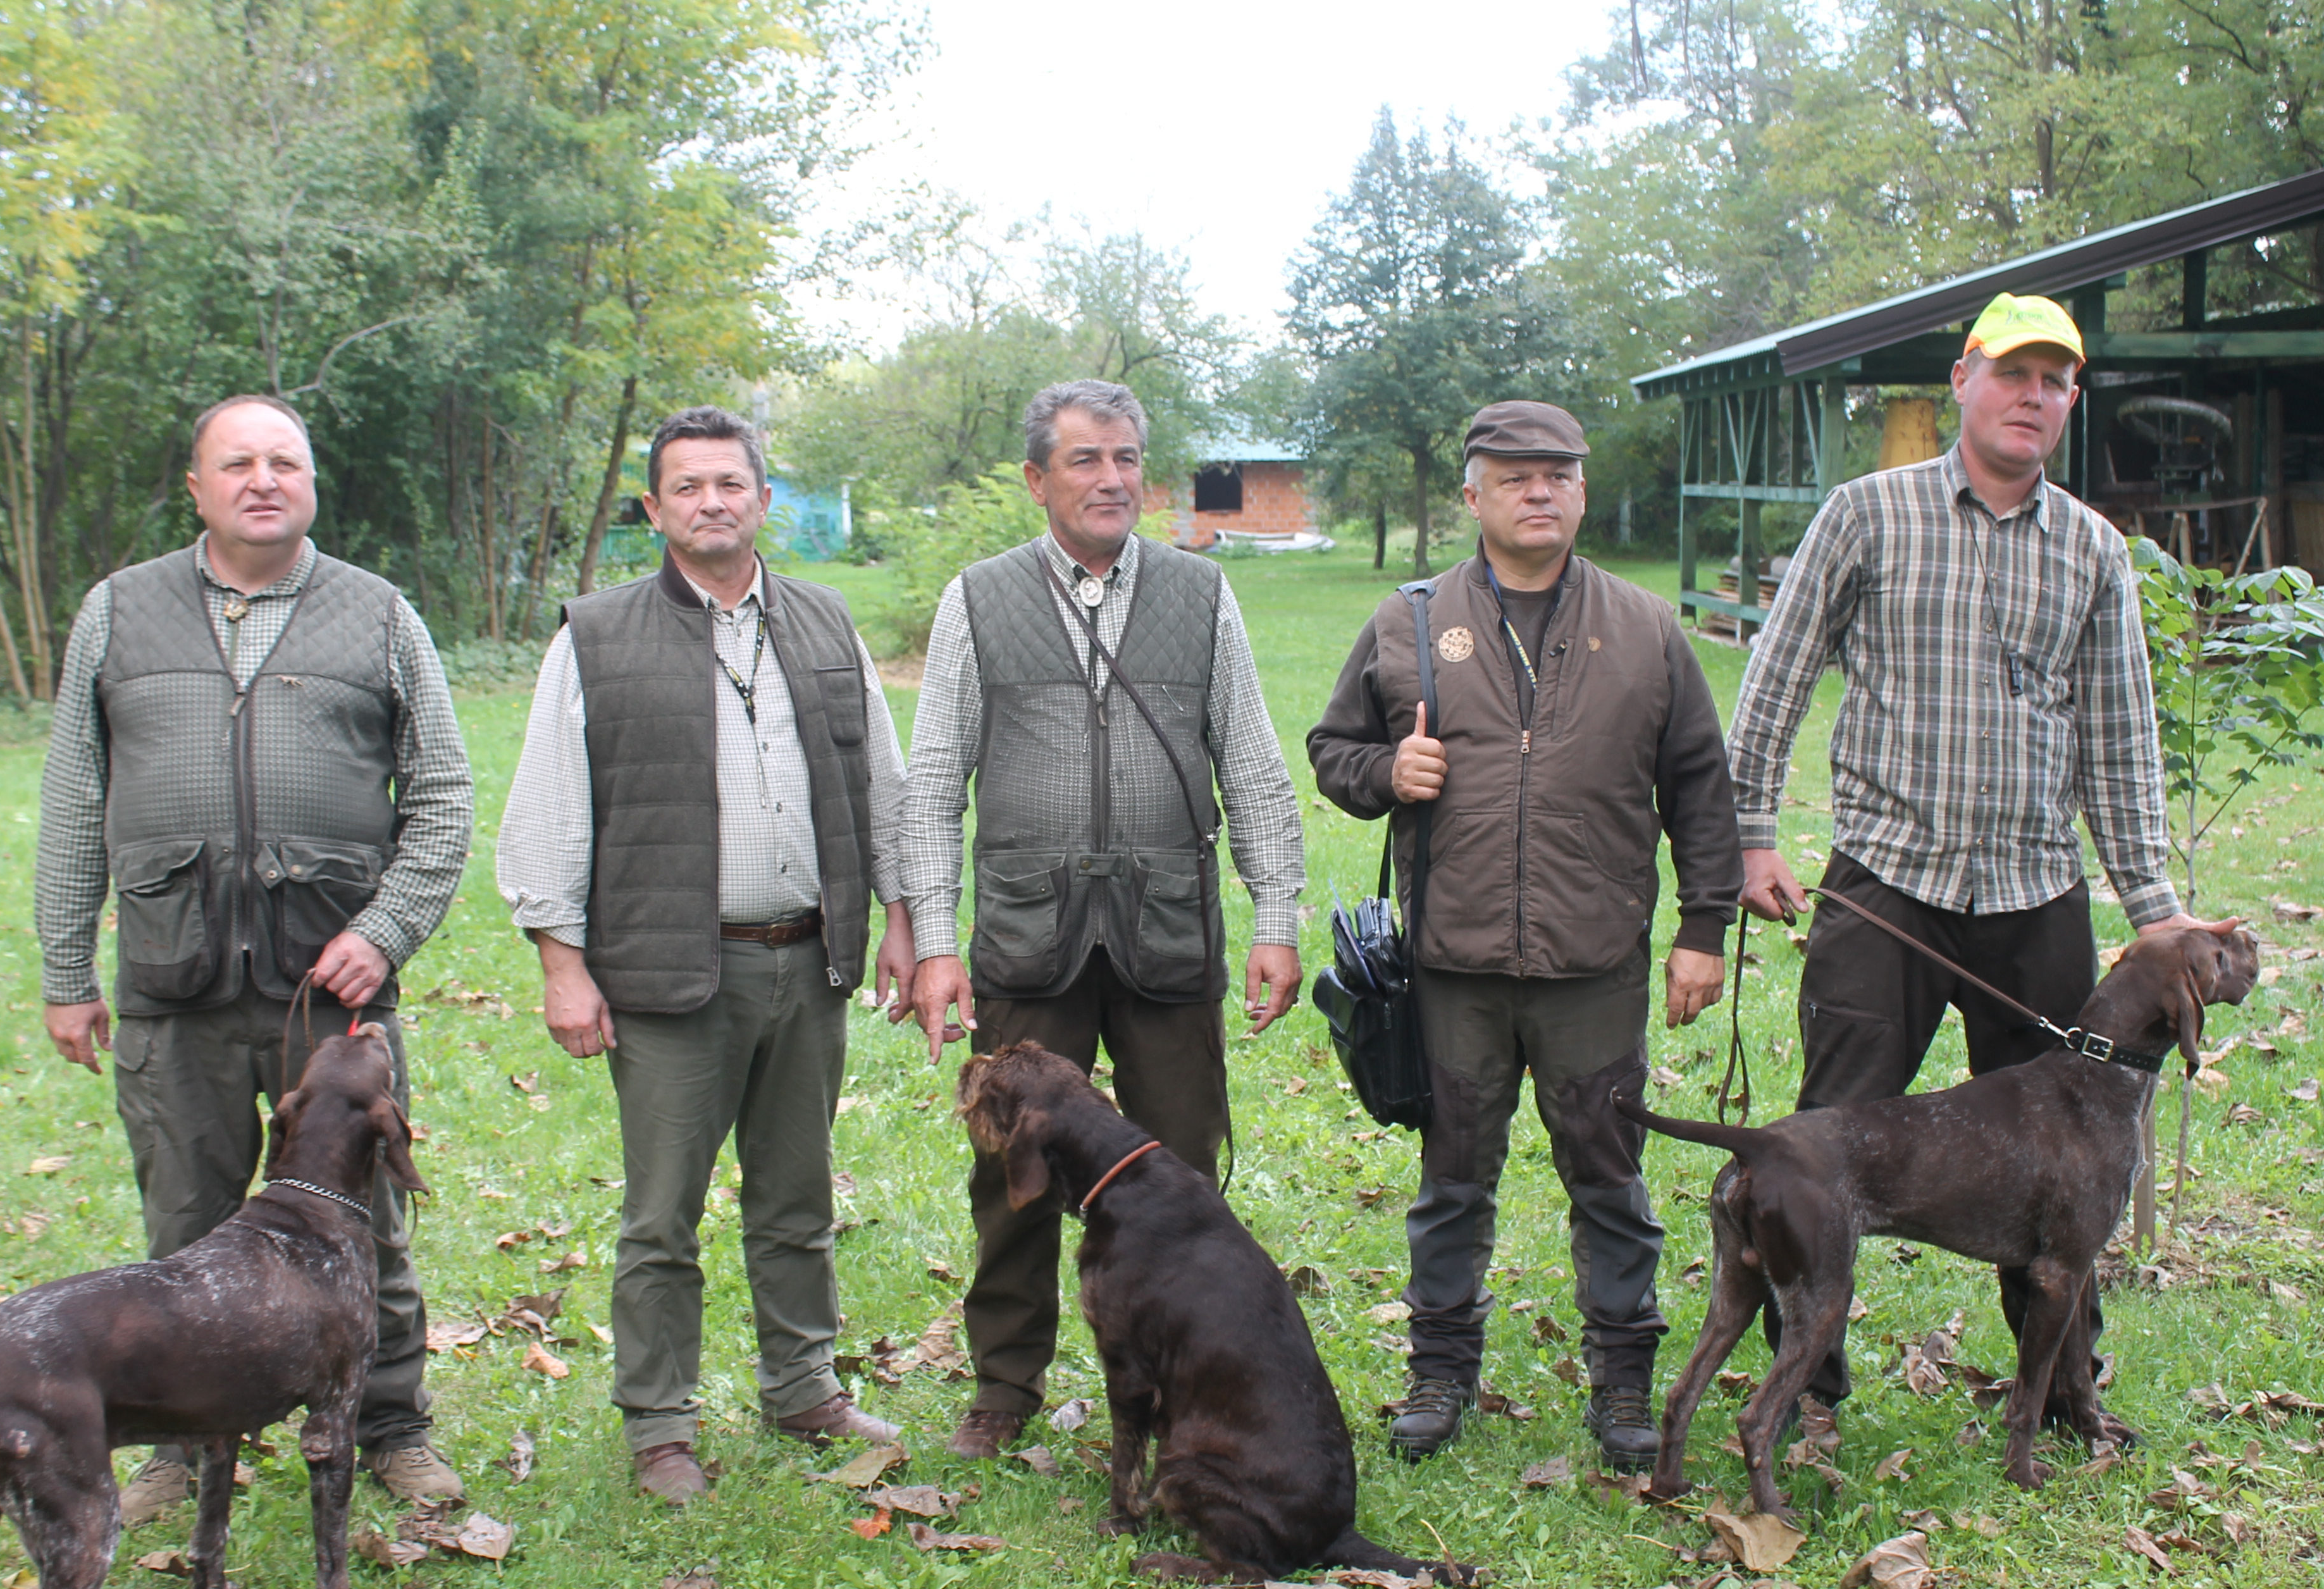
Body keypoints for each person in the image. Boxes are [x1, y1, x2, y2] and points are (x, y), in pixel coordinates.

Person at [1724, 293, 2205, 1431]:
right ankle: (1809, 1384)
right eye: (2015, 375)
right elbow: (1776, 682)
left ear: (2070, 401)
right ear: (1964, 379)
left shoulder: (2093, 549)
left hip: (2036, 895)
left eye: (2056, 383)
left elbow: (2121, 741)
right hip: (1884, 890)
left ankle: (2065, 1391)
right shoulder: (1867, 517)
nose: (2035, 398)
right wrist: (1750, 834)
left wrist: (2158, 911)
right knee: (1827, 1136)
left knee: (2068, 1147)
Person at [37, 393, 474, 1523]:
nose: (263, 480)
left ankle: (390, 1425)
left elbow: (442, 797)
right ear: (198, 486)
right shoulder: (118, 613)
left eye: (286, 462)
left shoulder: (377, 615)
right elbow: (75, 800)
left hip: (329, 997)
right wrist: (67, 971)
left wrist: (382, 934)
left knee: (360, 1224)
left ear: (314, 483)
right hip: (172, 984)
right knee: (183, 1233)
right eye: (238, 463)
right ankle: (181, 1444)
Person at [1308, 400, 1742, 1469]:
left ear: (1582, 491)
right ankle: (1440, 1371)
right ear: (1474, 497)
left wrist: (1702, 927)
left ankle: (1625, 1383)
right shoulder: (1410, 620)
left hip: (1593, 961)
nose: (1538, 490)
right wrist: (1383, 774)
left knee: (1609, 1175)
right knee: (1453, 1180)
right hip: (1454, 964)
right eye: (1513, 475)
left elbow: (1698, 785)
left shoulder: (1646, 628)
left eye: (1557, 473)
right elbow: (1332, 747)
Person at [495, 405, 913, 1504]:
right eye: (687, 487)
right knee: (662, 1213)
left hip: (807, 959)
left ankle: (804, 1385)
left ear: (764, 500)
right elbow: (548, 806)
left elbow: (885, 789)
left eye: (731, 483)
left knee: (797, 1197)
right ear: (654, 510)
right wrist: (562, 962)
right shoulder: (593, 634)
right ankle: (661, 1423)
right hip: (670, 968)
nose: (712, 502)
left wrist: (904, 923)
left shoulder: (828, 625)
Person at [903, 378, 1306, 1460]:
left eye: (1127, 459)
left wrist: (1277, 914)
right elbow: (934, 781)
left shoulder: (1202, 593)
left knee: (1182, 1172)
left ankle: (1189, 1385)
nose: (1111, 479)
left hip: (1168, 928)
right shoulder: (977, 598)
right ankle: (1005, 1385)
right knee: (1012, 1174)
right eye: (1085, 460)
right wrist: (937, 945)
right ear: (1039, 480)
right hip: (1028, 934)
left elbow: (1257, 767)